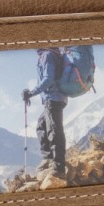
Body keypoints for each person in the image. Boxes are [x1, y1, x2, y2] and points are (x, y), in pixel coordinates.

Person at [23, 48, 68, 177]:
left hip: (53, 98)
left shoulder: (47, 55)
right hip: (57, 98)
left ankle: (59, 167)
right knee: (41, 126)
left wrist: (31, 93)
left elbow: (48, 79)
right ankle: (48, 158)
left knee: (54, 130)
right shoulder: (53, 53)